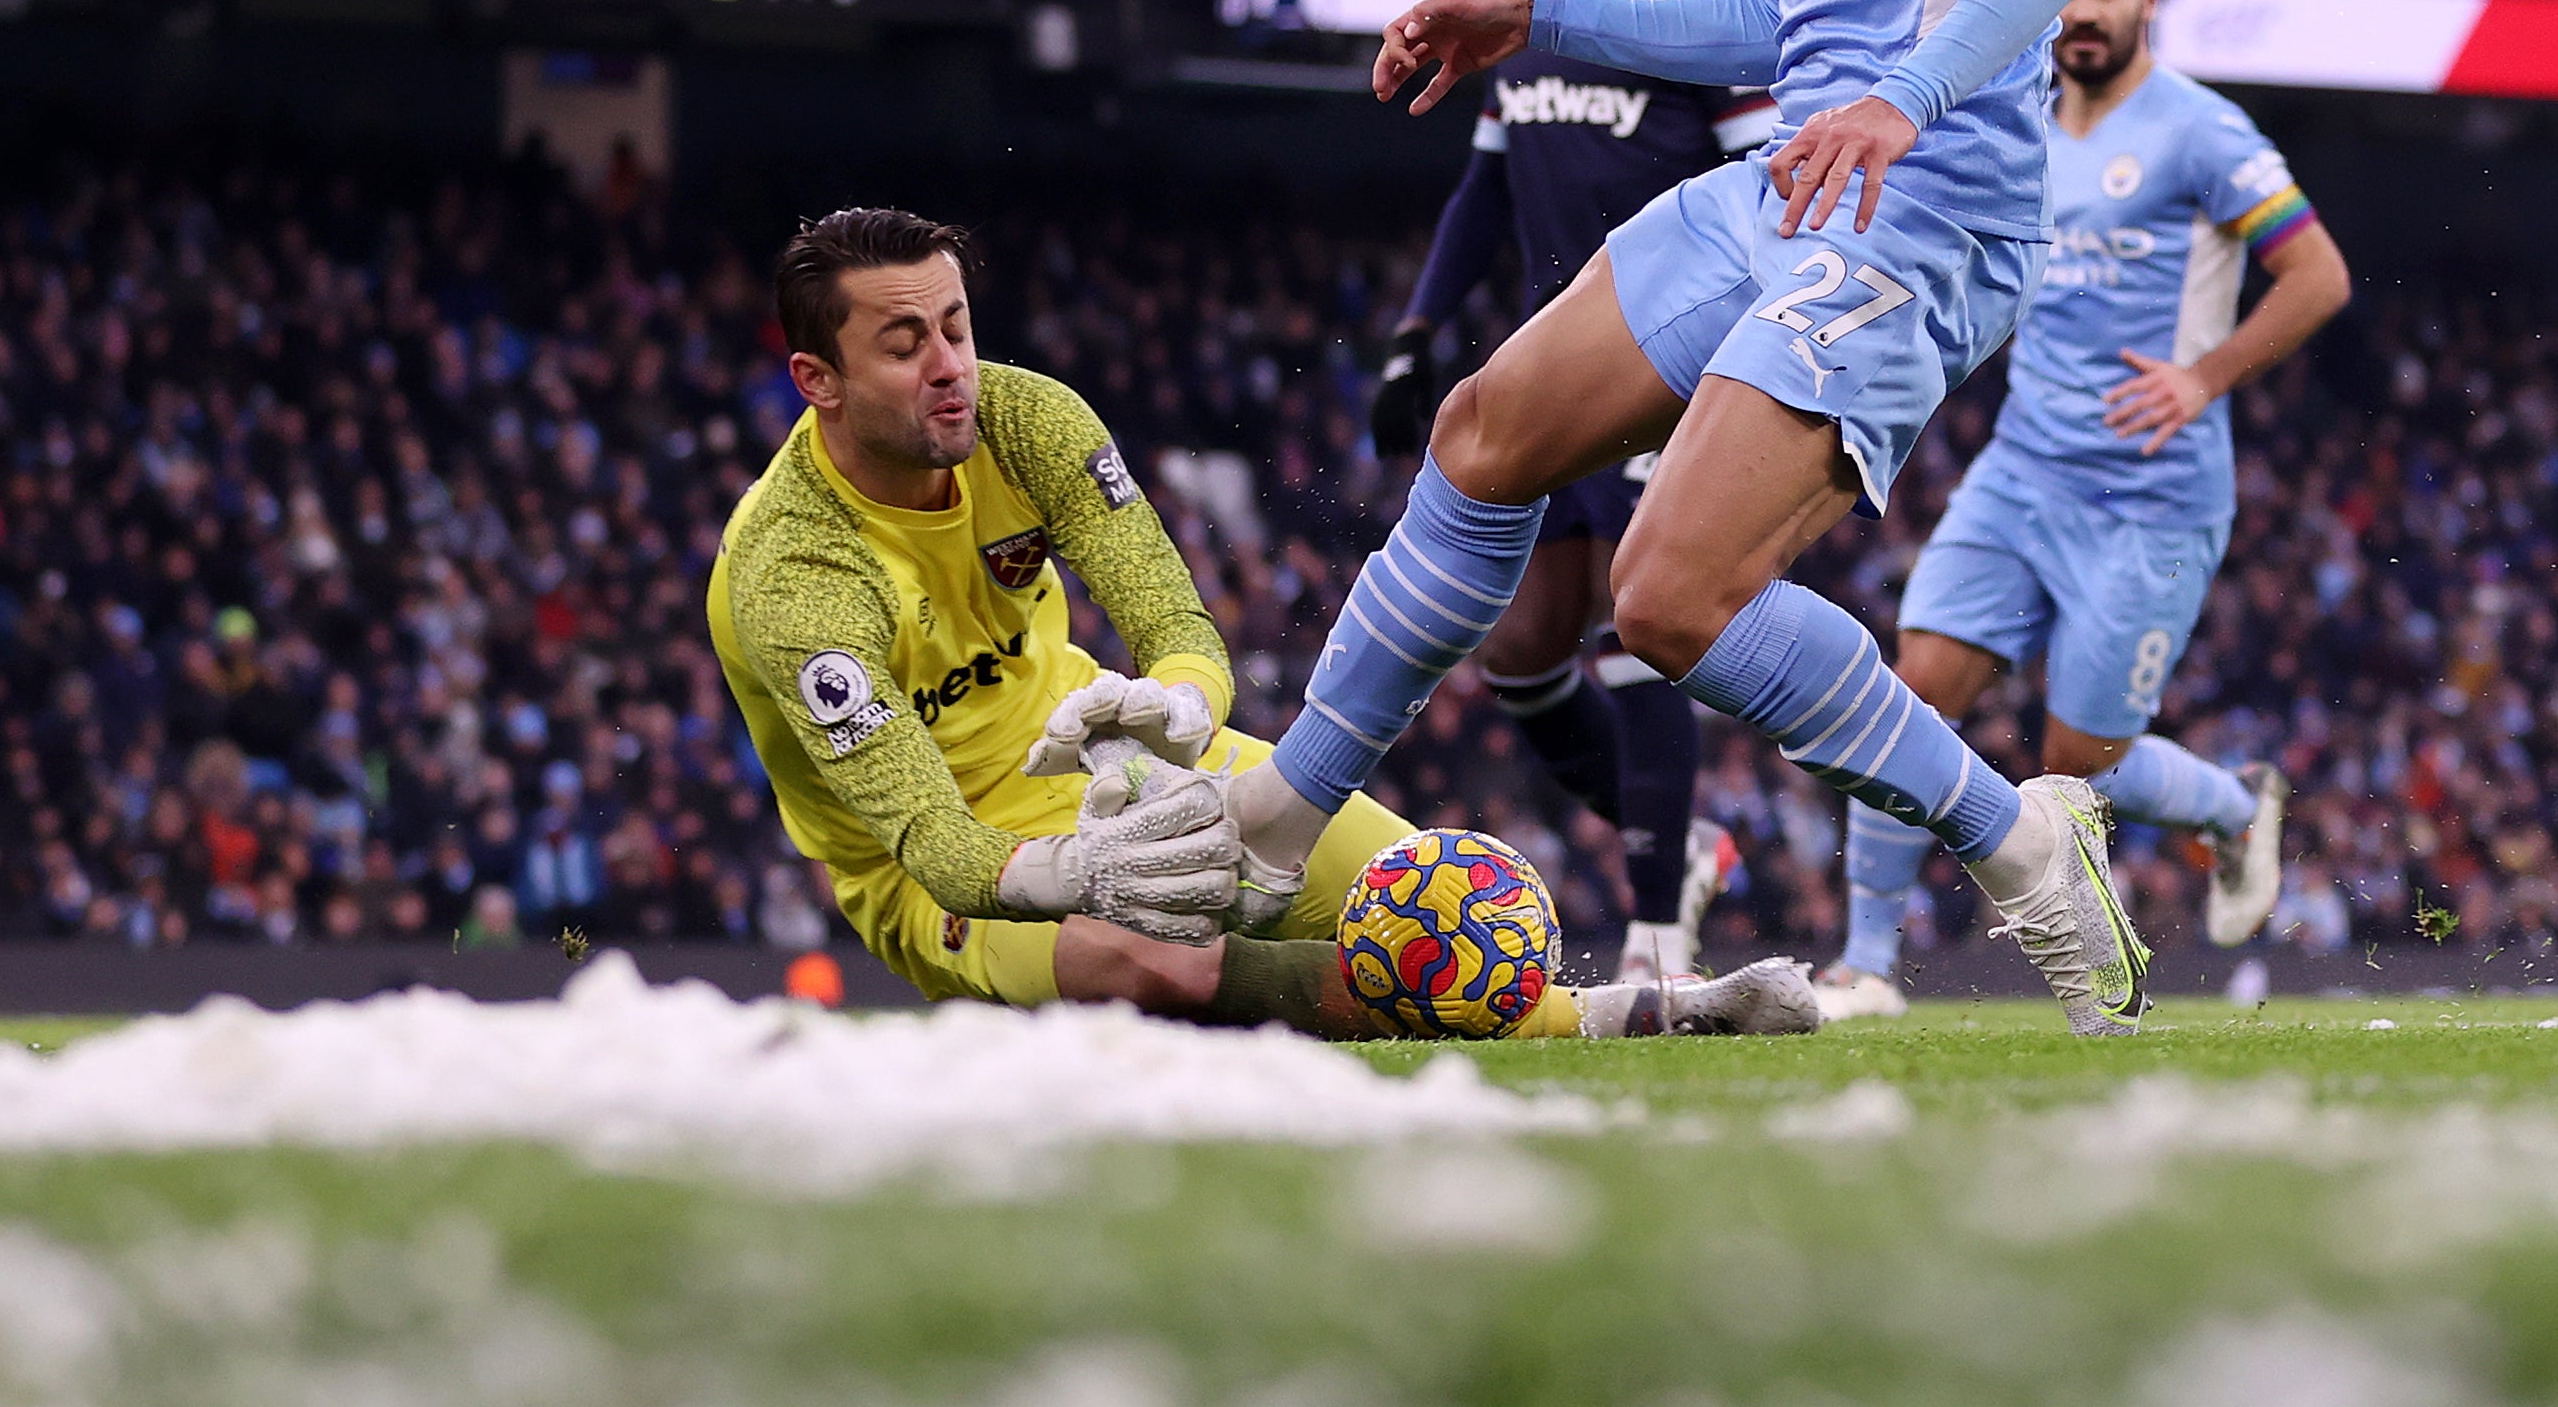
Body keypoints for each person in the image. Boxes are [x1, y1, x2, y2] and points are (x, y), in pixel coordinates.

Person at [1226, 0, 2163, 1036]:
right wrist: (1535, 14)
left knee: (1659, 603)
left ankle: (2018, 843)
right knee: (1482, 431)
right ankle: (1270, 823)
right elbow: (1780, 27)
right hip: (1790, 182)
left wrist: (1911, 95)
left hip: (1922, 211)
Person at [706, 206, 1814, 1038]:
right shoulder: (795, 573)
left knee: (1418, 895)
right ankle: (1633, 1014)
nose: (950, 368)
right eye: (903, 346)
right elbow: (934, 848)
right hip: (944, 869)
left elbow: (1173, 618)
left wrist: (1181, 706)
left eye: (953, 326)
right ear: (819, 379)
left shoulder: (1025, 417)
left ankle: (1607, 1007)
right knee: (1158, 967)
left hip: (1101, 766)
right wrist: (1077, 873)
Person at [1818, 0, 2349, 1015]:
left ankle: (2231, 807)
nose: (2078, 12)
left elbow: (2317, 278)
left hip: (2151, 498)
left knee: (2077, 767)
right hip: (2019, 473)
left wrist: (2201, 379)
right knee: (1908, 694)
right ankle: (1865, 962)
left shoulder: (2201, 131)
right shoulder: (2014, 122)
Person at [1374, 0, 1777, 984]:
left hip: (1668, 362)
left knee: (1633, 630)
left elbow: (1759, 186)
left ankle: (1655, 927)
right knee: (1521, 655)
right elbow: (1482, 194)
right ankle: (1684, 846)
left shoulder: (1698, 12)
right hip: (1555, 365)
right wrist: (1414, 332)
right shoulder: (1522, 22)